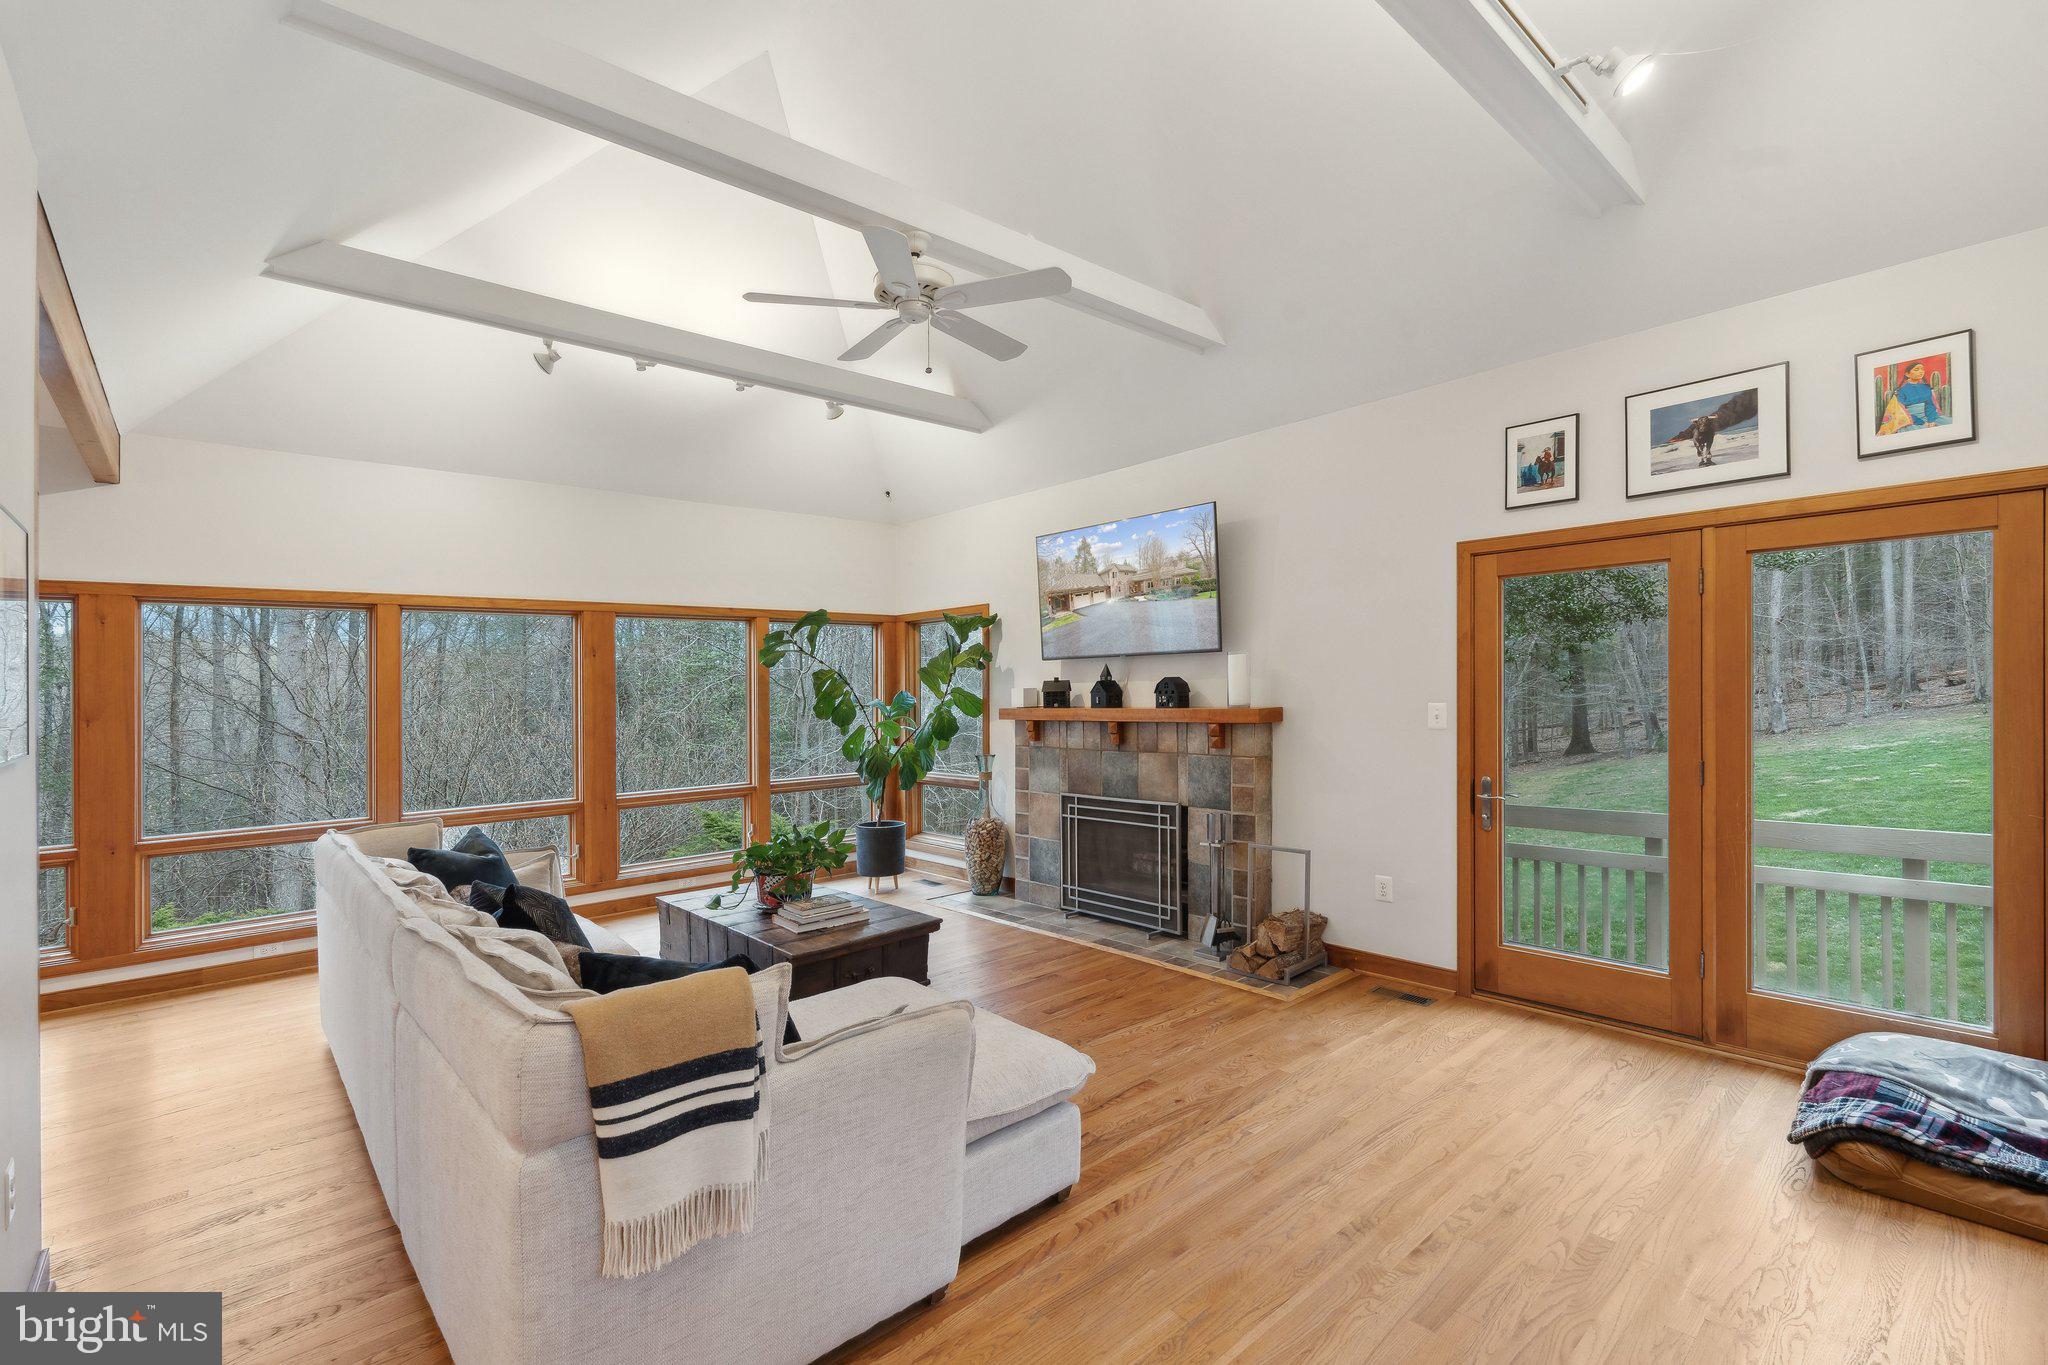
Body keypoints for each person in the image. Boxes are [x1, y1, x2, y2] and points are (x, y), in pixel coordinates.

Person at [1887, 359, 1946, 429]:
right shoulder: (1900, 391)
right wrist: (1922, 423)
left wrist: (1931, 420)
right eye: (1916, 369)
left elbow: (1930, 405)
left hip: (1929, 418)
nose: (1921, 371)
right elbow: (1901, 412)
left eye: (1922, 369)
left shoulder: (1926, 388)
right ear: (1907, 374)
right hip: (1911, 421)